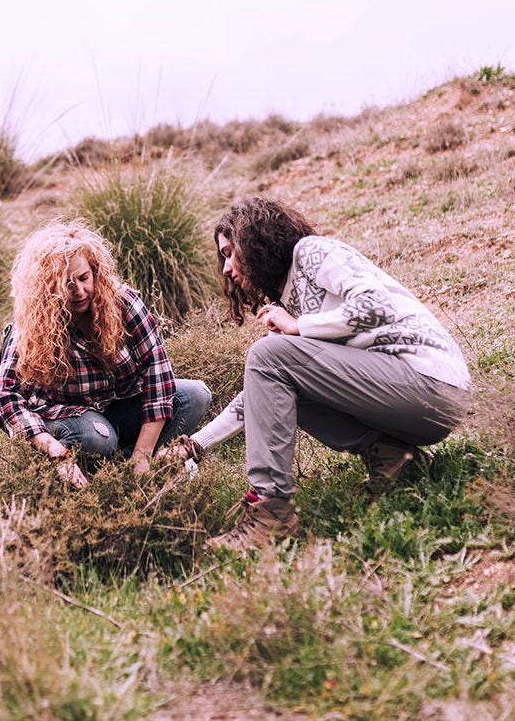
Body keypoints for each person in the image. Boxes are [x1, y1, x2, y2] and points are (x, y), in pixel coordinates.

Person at [195, 196, 472, 551]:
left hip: (431, 383)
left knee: (270, 355)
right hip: (407, 397)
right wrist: (195, 445)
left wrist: (299, 326)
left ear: (255, 241)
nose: (226, 268)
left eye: (230, 252)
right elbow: (258, 397)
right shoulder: (287, 302)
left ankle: (271, 513)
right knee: (275, 367)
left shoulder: (311, 252)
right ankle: (393, 459)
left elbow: (376, 304)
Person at [0, 220, 212, 488]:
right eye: (66, 284)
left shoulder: (124, 304)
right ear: (47, 287)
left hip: (122, 405)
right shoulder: (33, 321)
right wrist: (52, 449)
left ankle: (124, 468)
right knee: (99, 438)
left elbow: (158, 375)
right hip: (70, 417)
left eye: (84, 278)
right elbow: (4, 395)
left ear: (95, 272)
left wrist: (142, 457)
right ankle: (85, 466)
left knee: (195, 397)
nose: (79, 291)